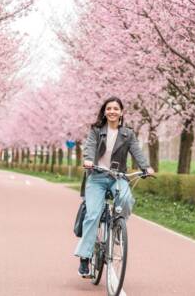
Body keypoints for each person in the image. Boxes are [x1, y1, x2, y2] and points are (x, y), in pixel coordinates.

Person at [74, 96, 154, 277]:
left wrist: (145, 167)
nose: (112, 111)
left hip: (118, 176)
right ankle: (85, 257)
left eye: (115, 108)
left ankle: (118, 226)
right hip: (96, 176)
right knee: (93, 214)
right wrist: (88, 160)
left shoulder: (128, 134)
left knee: (126, 198)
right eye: (108, 108)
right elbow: (90, 147)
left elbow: (137, 152)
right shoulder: (96, 131)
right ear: (104, 111)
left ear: (121, 112)